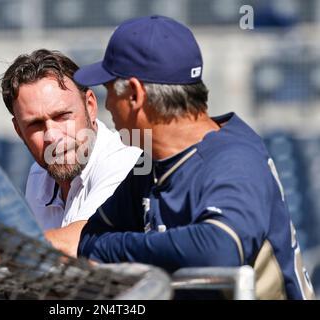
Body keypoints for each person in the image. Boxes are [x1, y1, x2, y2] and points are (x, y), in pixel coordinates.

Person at [71, 15, 315, 300]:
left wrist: (113, 251)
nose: (108, 105)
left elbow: (218, 248)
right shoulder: (152, 163)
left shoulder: (234, 160)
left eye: (109, 90)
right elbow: (90, 237)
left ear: (135, 94)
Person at [0, 49, 141, 267]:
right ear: (19, 130)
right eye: (35, 124)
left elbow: (77, 245)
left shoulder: (124, 160)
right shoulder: (39, 172)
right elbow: (41, 264)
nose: (52, 136)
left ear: (90, 106)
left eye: (62, 116)